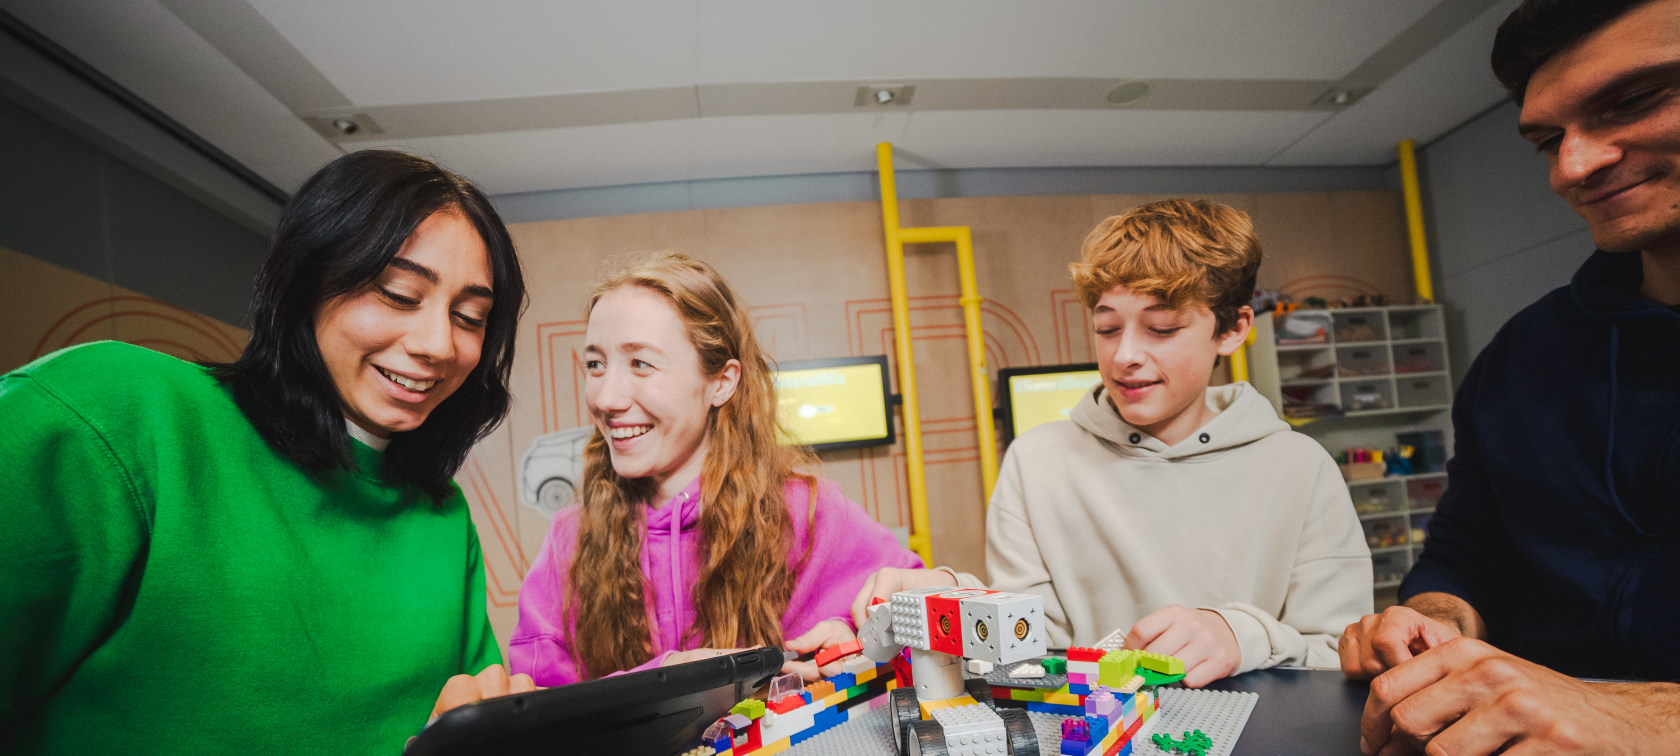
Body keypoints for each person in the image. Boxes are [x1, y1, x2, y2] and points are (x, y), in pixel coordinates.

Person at [0, 150, 530, 753]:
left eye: (471, 316)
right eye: (399, 294)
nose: (439, 344)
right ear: (306, 282)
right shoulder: (116, 411)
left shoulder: (440, 513)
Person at [1340, 1, 1680, 753]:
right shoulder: (1524, 358)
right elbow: (1465, 556)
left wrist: (1645, 720)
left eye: (1634, 100)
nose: (1573, 167)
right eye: (1548, 141)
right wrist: (1434, 620)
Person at [855, 199, 1373, 688]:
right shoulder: (1036, 464)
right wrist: (951, 594)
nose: (1125, 354)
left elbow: (1341, 653)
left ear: (1233, 330)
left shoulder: (1300, 467)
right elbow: (1032, 645)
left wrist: (1243, 634)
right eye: (1107, 328)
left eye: (1162, 328)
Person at [505, 251, 928, 687]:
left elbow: (926, 621)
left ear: (721, 382)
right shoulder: (569, 543)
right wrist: (667, 682)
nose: (606, 398)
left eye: (640, 363)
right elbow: (541, 708)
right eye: (595, 364)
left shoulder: (808, 512)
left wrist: (861, 653)